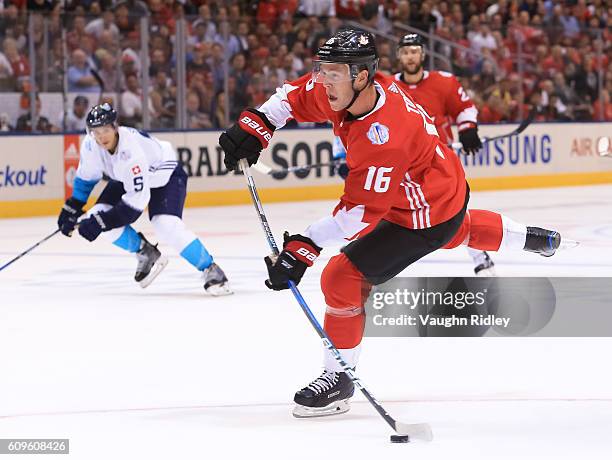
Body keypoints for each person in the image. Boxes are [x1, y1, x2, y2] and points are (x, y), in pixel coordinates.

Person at [219, 29, 563, 418]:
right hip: (438, 189)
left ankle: (339, 377)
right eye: (323, 70)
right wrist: (257, 124)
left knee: (341, 278)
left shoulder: (385, 137)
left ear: (361, 76)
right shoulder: (351, 87)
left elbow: (358, 215)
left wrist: (304, 247)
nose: (323, 80)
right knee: (456, 230)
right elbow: (289, 98)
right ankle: (531, 238)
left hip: (423, 211)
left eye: (333, 73)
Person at [57, 103, 231, 296]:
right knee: (96, 214)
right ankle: (145, 252)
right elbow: (86, 179)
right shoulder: (90, 144)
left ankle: (211, 269)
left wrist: (100, 223)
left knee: (164, 223)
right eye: (96, 132)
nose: (101, 136)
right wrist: (71, 209)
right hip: (126, 178)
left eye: (105, 130)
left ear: (115, 127)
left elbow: (133, 207)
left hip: (164, 175)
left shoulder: (131, 151)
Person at [394, 33, 494, 275]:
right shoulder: (387, 86)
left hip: (439, 162)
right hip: (401, 165)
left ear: (422, 54)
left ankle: (479, 254)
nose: (410, 56)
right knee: (387, 210)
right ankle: (369, 258)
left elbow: (464, 108)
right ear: (399, 55)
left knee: (453, 210)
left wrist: (468, 129)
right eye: (406, 52)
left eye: (414, 51)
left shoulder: (444, 82)